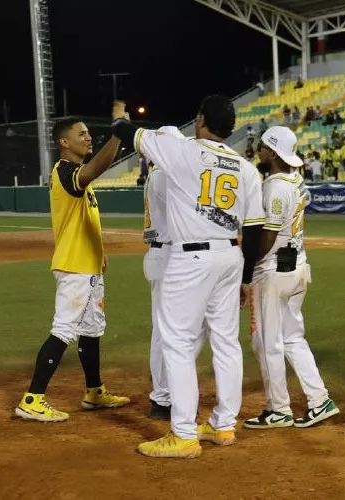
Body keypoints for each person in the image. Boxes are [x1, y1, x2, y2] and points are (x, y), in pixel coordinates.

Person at [122, 95, 265, 458]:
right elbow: (257, 226)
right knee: (226, 342)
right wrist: (246, 277)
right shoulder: (246, 167)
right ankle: (222, 425)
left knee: (177, 342)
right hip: (231, 255)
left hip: (191, 257)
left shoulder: (183, 151)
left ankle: (184, 433)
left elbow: (128, 133)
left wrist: (120, 121)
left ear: (200, 119)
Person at [14, 112, 130, 423]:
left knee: (91, 330)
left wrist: (100, 252)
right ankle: (32, 399)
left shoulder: (76, 171)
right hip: (75, 267)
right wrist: (119, 135)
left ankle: (94, 391)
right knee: (64, 330)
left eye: (89, 133)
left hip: (89, 265)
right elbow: (97, 169)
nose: (89, 137)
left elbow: (85, 221)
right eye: (82, 134)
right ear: (64, 142)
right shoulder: (65, 172)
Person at [244, 126, 339, 430]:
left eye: (262, 147)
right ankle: (319, 399)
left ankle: (278, 409)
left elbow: (268, 237)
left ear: (272, 152)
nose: (258, 151)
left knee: (265, 342)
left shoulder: (275, 186)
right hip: (297, 265)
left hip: (272, 272)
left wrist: (246, 269)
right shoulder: (295, 180)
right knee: (292, 338)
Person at [142, 127, 206, 421]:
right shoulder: (165, 174)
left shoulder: (159, 172)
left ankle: (166, 393)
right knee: (178, 330)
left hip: (162, 252)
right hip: (169, 254)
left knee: (168, 329)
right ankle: (166, 394)